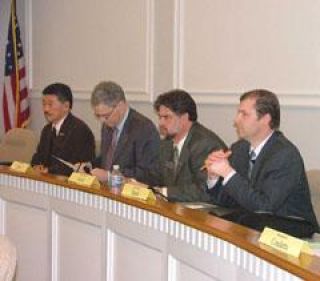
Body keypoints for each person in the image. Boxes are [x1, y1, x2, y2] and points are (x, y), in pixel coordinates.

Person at [205, 89, 319, 237]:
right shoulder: (239, 148)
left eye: (244, 114)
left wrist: (228, 173)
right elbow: (229, 200)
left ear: (265, 119)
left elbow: (264, 207)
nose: (236, 120)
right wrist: (213, 177)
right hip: (256, 225)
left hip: (291, 231)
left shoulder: (284, 154)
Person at [154, 89, 227, 202]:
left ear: (184, 117)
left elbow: (204, 190)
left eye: (167, 117)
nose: (161, 123)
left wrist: (165, 192)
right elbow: (157, 176)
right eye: (160, 117)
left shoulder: (205, 144)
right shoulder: (167, 142)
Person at [90, 81, 160, 186]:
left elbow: (147, 173)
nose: (102, 121)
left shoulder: (144, 129)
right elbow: (108, 159)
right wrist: (89, 165)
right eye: (98, 115)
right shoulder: (108, 124)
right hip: (108, 191)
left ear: (121, 106)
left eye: (106, 115)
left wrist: (110, 176)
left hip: (131, 195)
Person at [31, 83, 95, 176]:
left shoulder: (79, 130)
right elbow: (38, 156)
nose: (46, 109)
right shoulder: (47, 130)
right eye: (43, 104)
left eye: (50, 104)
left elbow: (78, 166)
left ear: (66, 106)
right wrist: (36, 165)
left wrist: (49, 170)